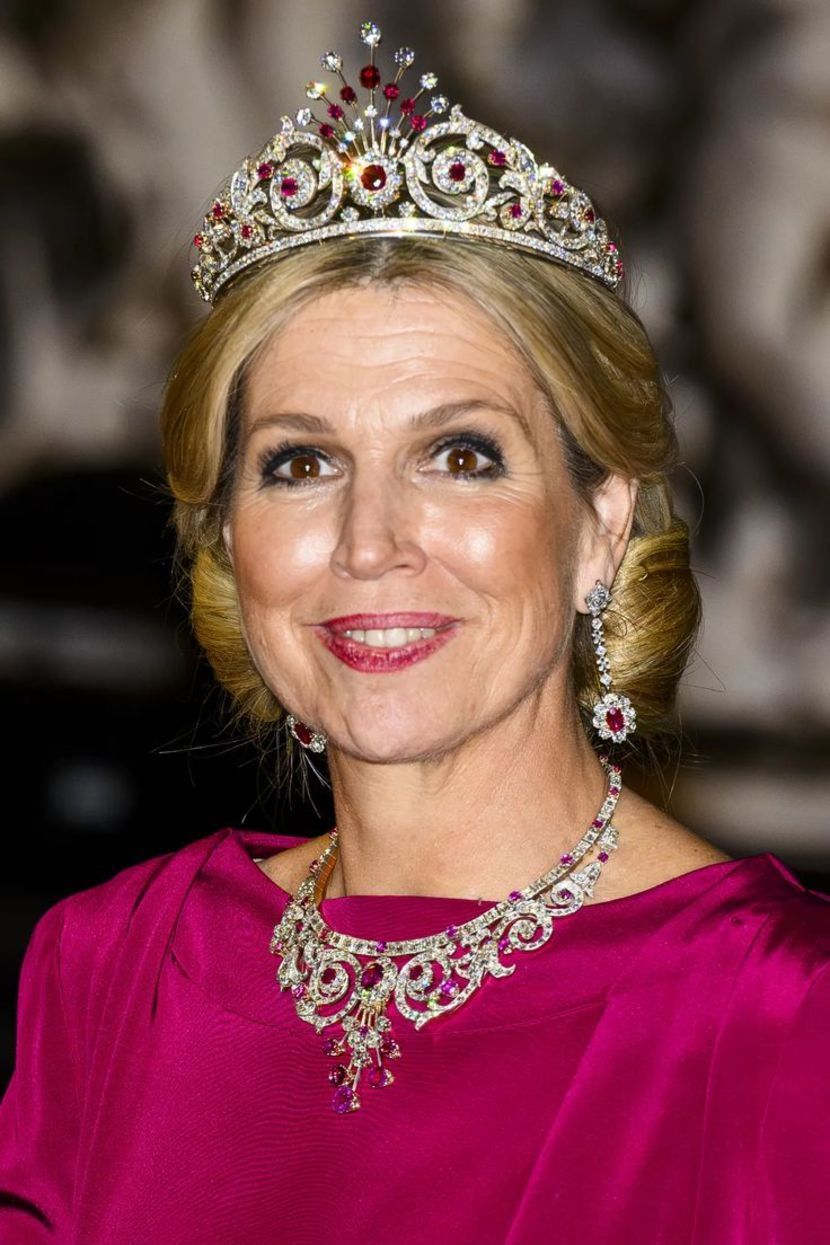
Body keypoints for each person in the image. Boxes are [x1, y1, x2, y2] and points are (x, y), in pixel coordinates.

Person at [1, 19, 827, 1245]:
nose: (369, 541)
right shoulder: (108, 967)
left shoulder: (781, 1014)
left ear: (598, 525)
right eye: (299, 464)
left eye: (460, 456)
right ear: (227, 537)